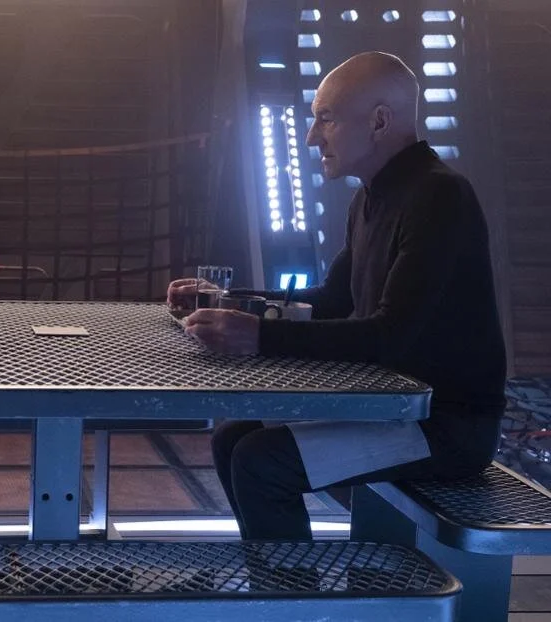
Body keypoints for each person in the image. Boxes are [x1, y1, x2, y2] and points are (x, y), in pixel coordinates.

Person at [170, 51, 507, 542]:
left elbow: (389, 336)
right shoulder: (371, 196)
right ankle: (279, 582)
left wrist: (259, 337)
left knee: (261, 461)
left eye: (325, 118)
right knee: (232, 437)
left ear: (379, 121)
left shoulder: (440, 196)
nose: (312, 137)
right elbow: (331, 300)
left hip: (446, 425)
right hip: (393, 408)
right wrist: (225, 301)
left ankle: (290, 591)